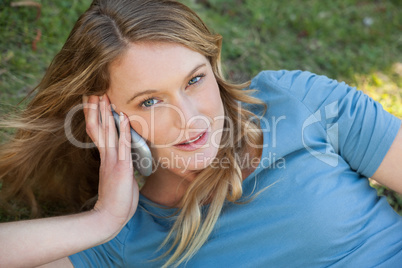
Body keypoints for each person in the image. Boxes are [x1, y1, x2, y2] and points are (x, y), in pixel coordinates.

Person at [0, 0, 401, 267]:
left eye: (194, 80)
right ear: (106, 119)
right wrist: (103, 220)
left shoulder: (296, 102)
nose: (189, 117)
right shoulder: (124, 240)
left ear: (213, 66)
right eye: (149, 102)